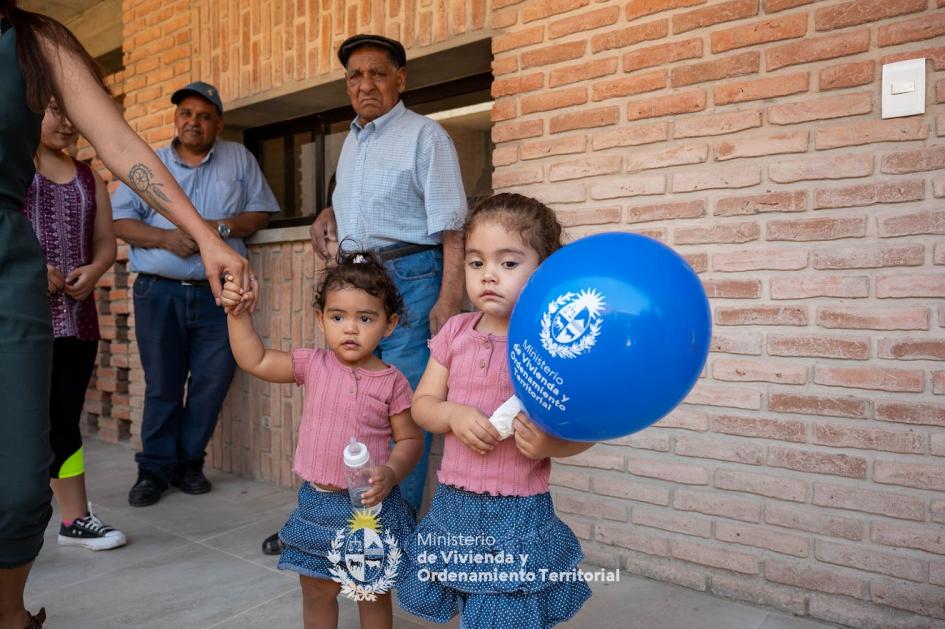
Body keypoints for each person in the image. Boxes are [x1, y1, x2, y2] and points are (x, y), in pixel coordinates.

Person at [0, 4, 249, 627]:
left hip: (8, 268)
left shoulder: (36, 39)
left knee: (21, 481)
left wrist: (207, 237)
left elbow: (118, 143)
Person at [397, 194, 594, 628]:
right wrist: (452, 414)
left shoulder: (552, 344)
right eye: (476, 262)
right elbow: (422, 406)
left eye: (508, 264)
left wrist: (549, 443)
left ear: (544, 271)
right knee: (469, 607)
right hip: (455, 505)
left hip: (518, 512)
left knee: (505, 613)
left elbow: (586, 430)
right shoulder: (455, 332)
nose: (489, 276)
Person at [221, 252, 422, 629]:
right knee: (316, 589)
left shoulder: (392, 382)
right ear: (320, 319)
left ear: (389, 324)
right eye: (337, 317)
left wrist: (392, 472)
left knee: (371, 591)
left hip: (368, 511)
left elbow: (410, 438)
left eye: (365, 318)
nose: (350, 329)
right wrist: (238, 316)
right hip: (317, 502)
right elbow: (257, 359)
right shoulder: (313, 365)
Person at [309, 34, 467, 512]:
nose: (366, 84)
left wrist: (447, 300)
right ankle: (353, 513)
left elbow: (453, 230)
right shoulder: (353, 140)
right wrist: (327, 211)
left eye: (378, 73)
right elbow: (365, 200)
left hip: (411, 279)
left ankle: (392, 527)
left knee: (401, 408)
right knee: (354, 396)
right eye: (355, 76)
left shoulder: (426, 136)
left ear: (401, 78)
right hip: (356, 282)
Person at [112, 81, 278, 508]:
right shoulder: (148, 164)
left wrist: (214, 232)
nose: (194, 121)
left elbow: (258, 213)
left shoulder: (239, 158)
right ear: (176, 118)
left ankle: (189, 464)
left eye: (204, 116)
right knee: (163, 384)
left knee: (211, 382)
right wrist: (167, 238)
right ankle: (153, 470)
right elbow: (119, 222)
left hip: (218, 295)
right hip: (158, 293)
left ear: (218, 124)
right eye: (186, 113)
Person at [22, 97, 125, 551]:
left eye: (71, 111)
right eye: (53, 110)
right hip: (19, 321)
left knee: (63, 418)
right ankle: (17, 524)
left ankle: (75, 519)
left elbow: (105, 242)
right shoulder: (11, 166)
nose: (66, 121)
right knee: (18, 423)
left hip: (76, 320)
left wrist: (97, 269)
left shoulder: (91, 178)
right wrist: (29, 267)